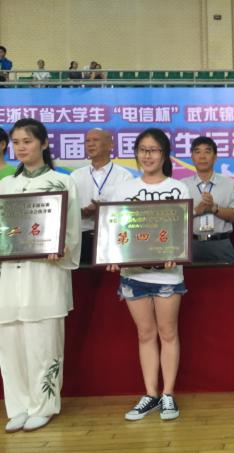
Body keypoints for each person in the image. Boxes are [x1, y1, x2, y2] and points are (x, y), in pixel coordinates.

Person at [0, 118, 81, 432]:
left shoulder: (63, 183)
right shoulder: (5, 186)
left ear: (44, 143)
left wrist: (61, 249)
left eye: (28, 141)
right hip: (8, 277)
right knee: (10, 346)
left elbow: (72, 232)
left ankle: (43, 405)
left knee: (43, 345)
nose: (21, 148)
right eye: (16, 142)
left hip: (45, 276)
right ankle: (18, 406)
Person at [107, 128, 190, 421]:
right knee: (145, 334)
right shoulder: (123, 189)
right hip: (133, 275)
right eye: (143, 149)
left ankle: (168, 394)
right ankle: (150, 394)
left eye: (154, 150)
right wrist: (113, 256)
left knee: (168, 333)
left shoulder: (178, 188)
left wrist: (176, 252)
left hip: (168, 276)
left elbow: (182, 234)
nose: (148, 155)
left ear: (164, 154)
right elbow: (115, 230)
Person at [70, 128, 133, 264]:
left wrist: (104, 210)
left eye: (95, 140)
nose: (90, 144)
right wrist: (81, 212)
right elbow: (68, 209)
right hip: (83, 237)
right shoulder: (75, 176)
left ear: (110, 145)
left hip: (113, 236)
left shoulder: (124, 176)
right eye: (87, 141)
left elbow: (128, 210)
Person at [181, 136, 234, 263]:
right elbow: (176, 219)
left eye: (207, 151)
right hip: (191, 244)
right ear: (192, 157)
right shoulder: (182, 185)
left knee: (227, 276)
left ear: (215, 157)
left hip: (220, 243)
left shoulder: (229, 183)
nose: (202, 156)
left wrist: (214, 208)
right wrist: (196, 211)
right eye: (197, 152)